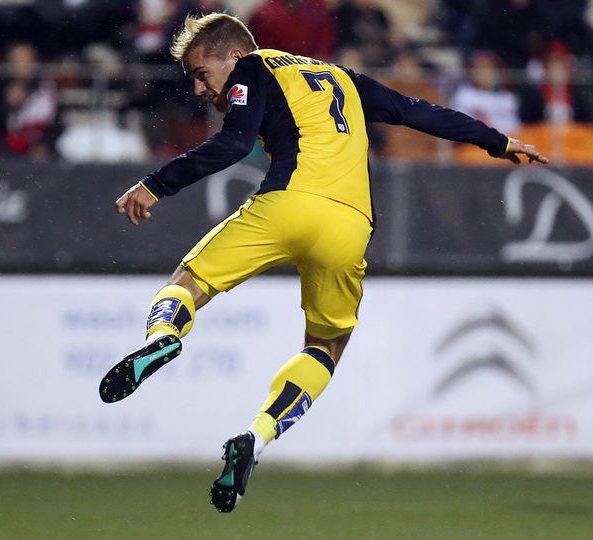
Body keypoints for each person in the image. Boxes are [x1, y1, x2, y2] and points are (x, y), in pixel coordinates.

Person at [97, 12, 548, 513]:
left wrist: (156, 184)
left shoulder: (254, 69)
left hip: (288, 203)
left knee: (191, 278)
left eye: (203, 73)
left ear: (235, 55)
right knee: (327, 344)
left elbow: (234, 143)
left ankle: (162, 339)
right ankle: (256, 435)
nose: (200, 89)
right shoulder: (343, 79)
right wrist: (499, 142)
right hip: (350, 226)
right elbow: (418, 111)